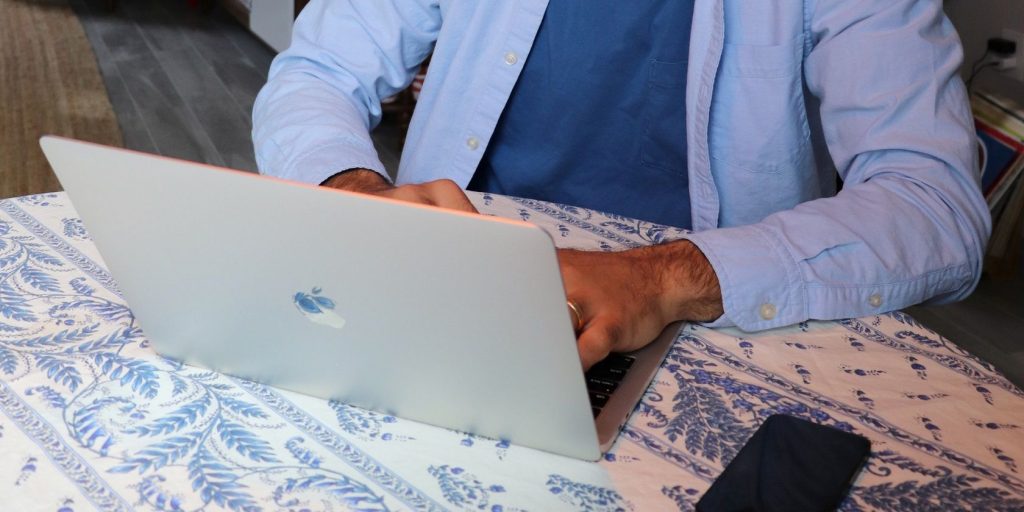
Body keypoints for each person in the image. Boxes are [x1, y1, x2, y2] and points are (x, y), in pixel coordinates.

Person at [252, 1, 990, 370]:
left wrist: (661, 279)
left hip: (709, 328)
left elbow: (934, 200)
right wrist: (354, 193)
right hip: (444, 282)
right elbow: (318, 73)